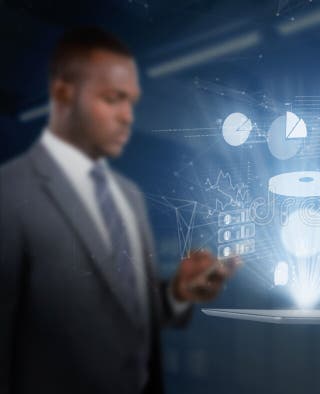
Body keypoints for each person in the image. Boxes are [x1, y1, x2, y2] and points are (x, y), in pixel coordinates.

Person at [0, 27, 240, 394]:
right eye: (113, 99)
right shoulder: (12, 190)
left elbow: (126, 312)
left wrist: (177, 290)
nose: (128, 116)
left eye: (131, 100)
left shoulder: (129, 197)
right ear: (64, 93)